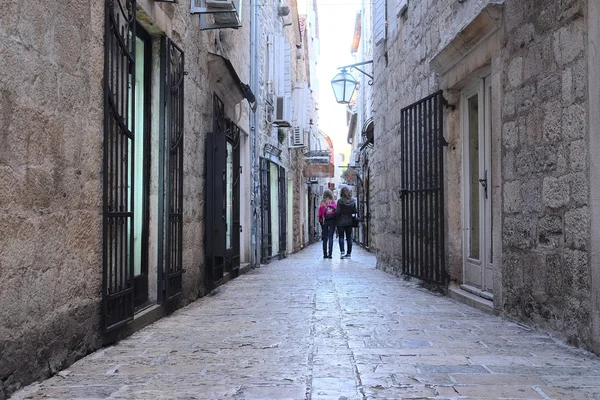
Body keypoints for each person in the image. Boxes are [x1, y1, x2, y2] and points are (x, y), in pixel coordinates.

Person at [335, 186, 357, 259]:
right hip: (349, 221)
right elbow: (354, 211)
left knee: (341, 237)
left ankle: (342, 252)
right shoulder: (352, 201)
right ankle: (349, 254)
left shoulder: (340, 201)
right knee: (349, 237)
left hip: (340, 222)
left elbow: (338, 212)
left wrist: (336, 217)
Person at [318, 189, 337, 259]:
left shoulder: (322, 203)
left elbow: (319, 214)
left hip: (324, 221)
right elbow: (336, 212)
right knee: (331, 237)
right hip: (332, 221)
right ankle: (330, 254)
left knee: (325, 238)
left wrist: (321, 224)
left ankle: (325, 254)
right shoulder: (333, 203)